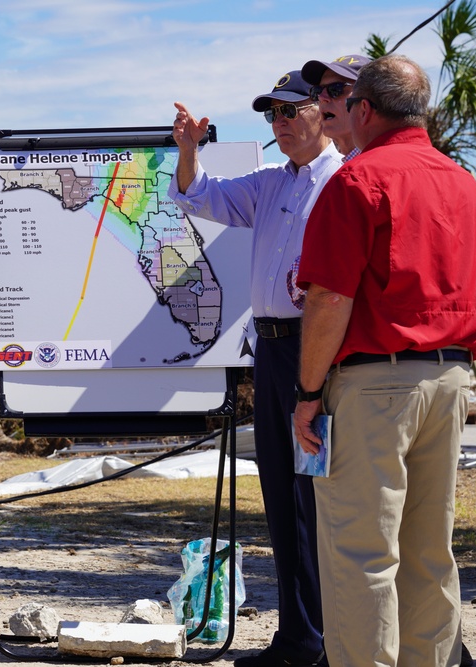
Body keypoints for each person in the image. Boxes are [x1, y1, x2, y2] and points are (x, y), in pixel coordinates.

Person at [293, 55, 476, 667]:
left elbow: (331, 298)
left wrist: (307, 393)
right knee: (430, 551)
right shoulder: (467, 183)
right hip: (452, 379)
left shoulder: (358, 180)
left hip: (375, 382)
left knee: (361, 552)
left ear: (364, 108)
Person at [169, 71, 341, 667]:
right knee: (280, 493)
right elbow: (199, 197)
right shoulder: (270, 183)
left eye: (292, 111)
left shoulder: (345, 179)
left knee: (316, 494)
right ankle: (299, 638)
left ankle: (324, 639)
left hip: (318, 351)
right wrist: (188, 151)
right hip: (269, 352)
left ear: (324, 112)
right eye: (273, 115)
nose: (282, 123)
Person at [301, 54, 371, 160]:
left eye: (336, 89)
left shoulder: (385, 164)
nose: (322, 97)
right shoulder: (331, 171)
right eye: (317, 91)